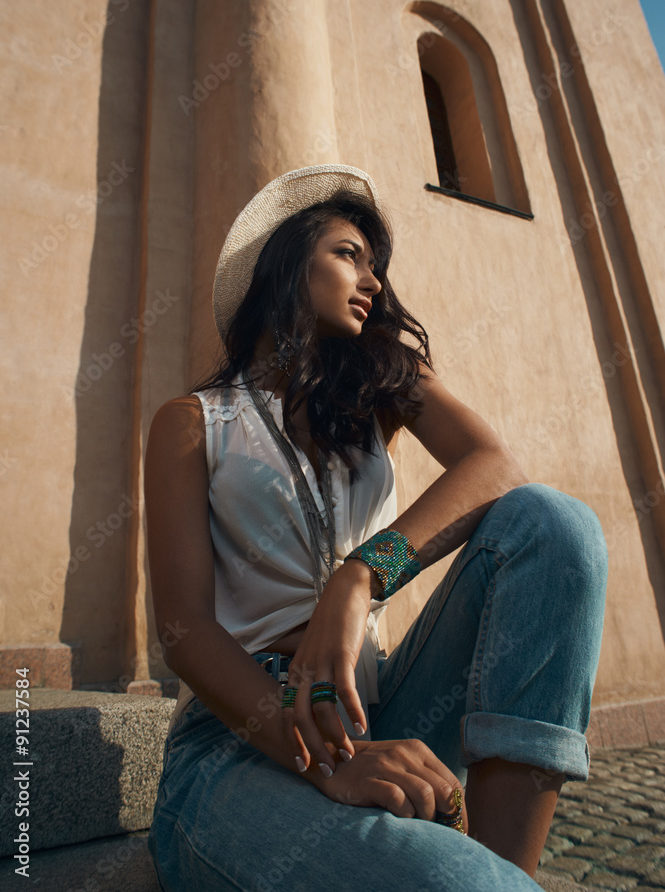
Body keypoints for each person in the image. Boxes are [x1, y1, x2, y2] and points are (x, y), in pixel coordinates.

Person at [145, 164, 607, 892]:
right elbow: (184, 631)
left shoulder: (374, 393)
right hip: (240, 740)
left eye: (376, 266)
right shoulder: (192, 423)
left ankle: (501, 866)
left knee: (556, 525)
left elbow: (495, 466)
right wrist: (329, 761)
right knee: (456, 884)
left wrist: (360, 576)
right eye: (348, 255)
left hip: (379, 705)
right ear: (285, 262)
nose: (373, 281)